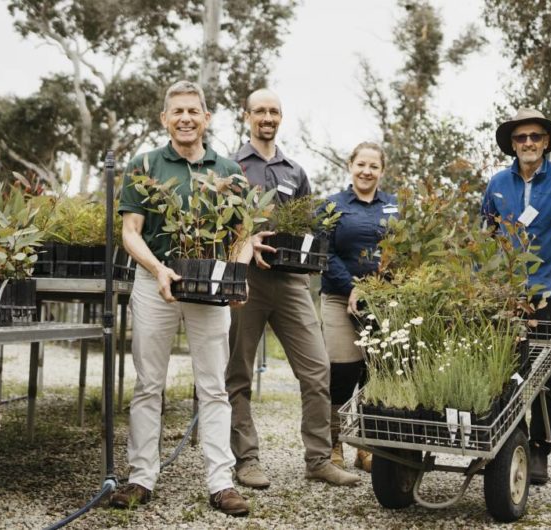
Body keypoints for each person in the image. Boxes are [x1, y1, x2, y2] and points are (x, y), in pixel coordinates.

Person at [111, 80, 258, 516]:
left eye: (193, 111)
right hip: (155, 286)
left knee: (213, 386)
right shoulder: (145, 165)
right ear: (164, 119)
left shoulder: (229, 170)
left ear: (206, 118)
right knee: (148, 384)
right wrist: (158, 269)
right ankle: (141, 477)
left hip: (209, 288)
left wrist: (238, 274)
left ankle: (221, 482)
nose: (186, 118)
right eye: (177, 112)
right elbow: (130, 231)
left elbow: (244, 233)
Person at [226, 88, 360, 488]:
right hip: (246, 279)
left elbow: (307, 226)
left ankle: (318, 459)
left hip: (290, 281)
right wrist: (244, 242)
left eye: (274, 112)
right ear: (246, 116)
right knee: (238, 374)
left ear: (280, 118)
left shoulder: (294, 171)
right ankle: (246, 460)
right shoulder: (230, 166)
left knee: (318, 369)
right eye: (260, 111)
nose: (267, 117)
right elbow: (217, 221)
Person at [481, 108, 551, 486]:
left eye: (535, 137)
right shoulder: (496, 184)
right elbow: (485, 240)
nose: (528, 143)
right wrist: (483, 291)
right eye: (521, 138)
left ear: (546, 142)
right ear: (512, 143)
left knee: (541, 378)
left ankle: (540, 448)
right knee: (504, 373)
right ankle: (512, 441)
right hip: (505, 297)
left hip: (550, 293)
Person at [320, 142, 398, 472]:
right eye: (360, 164)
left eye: (373, 166)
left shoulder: (394, 207)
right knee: (342, 371)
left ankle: (365, 447)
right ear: (350, 165)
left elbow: (400, 252)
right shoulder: (332, 205)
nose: (366, 171)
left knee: (373, 373)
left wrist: (377, 290)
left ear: (382, 171)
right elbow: (325, 254)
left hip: (381, 301)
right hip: (339, 297)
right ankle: (333, 445)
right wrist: (352, 287)